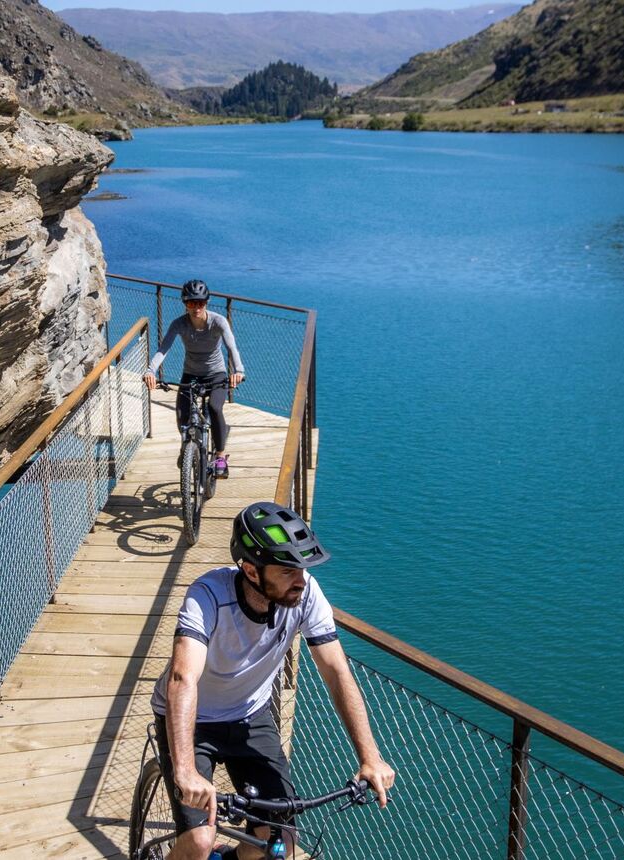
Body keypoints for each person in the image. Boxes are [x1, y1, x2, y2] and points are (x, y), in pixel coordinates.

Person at [149, 501, 396, 860]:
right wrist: (185, 770)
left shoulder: (305, 593)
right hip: (194, 720)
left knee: (279, 841)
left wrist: (370, 757)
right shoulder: (207, 597)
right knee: (200, 841)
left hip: (249, 715)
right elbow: (182, 677)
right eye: (286, 571)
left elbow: (336, 671)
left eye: (301, 569)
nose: (300, 580)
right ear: (251, 570)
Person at [143, 280, 244, 478]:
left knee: (215, 408)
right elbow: (164, 349)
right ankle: (186, 447)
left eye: (200, 303)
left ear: (206, 303)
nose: (196, 307)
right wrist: (150, 371)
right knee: (182, 413)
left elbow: (232, 347)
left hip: (216, 374)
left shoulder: (218, 321)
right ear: (185, 303)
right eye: (191, 303)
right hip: (190, 374)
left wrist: (238, 371)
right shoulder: (179, 324)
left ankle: (221, 456)